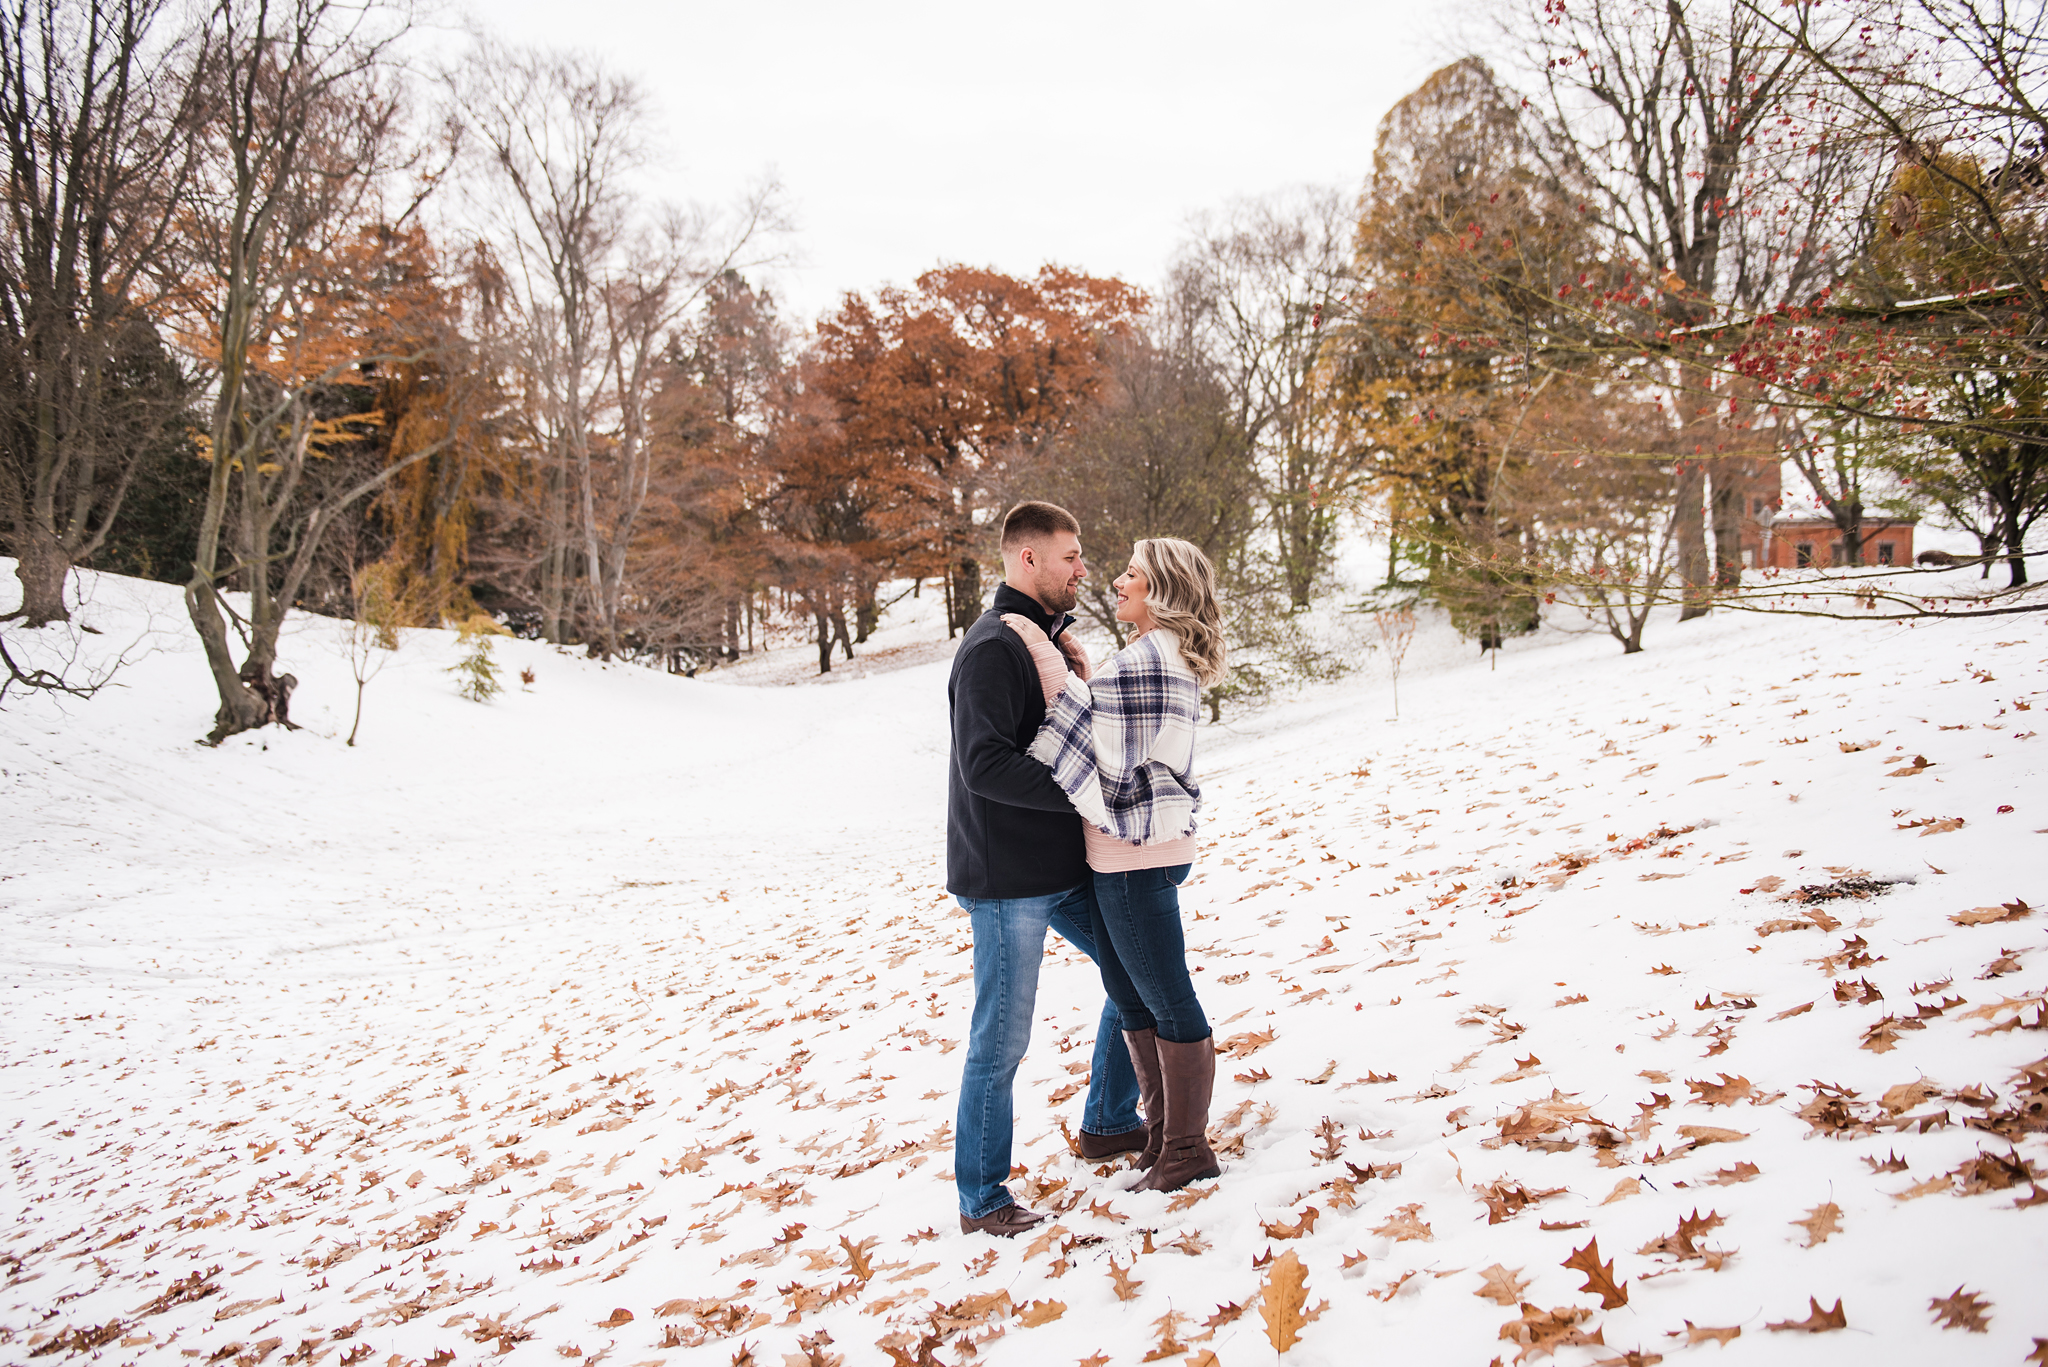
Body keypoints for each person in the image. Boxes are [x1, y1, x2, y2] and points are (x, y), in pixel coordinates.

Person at [947, 501, 1149, 1236]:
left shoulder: (1055, 640)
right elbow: (983, 765)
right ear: (1027, 559)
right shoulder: (992, 649)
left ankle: (1106, 1120)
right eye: (1071, 555)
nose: (1083, 568)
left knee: (1137, 971)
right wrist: (1084, 787)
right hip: (1007, 878)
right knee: (1000, 1041)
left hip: (1065, 862)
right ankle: (982, 1197)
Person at [1003, 537, 1227, 1193]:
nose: (1118, 582)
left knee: (1166, 999)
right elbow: (1105, 719)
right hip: (1127, 855)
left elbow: (1093, 744)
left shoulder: (1151, 660)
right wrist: (1076, 666)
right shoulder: (1147, 657)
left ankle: (1187, 1147)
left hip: (1135, 859)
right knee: (1133, 997)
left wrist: (1043, 653)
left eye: (1131, 574)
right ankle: (1160, 1137)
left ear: (1158, 591)